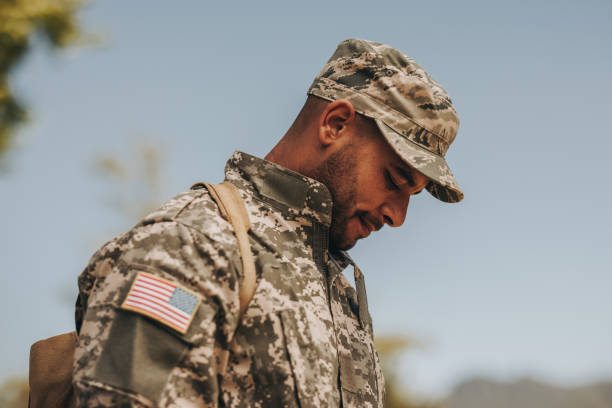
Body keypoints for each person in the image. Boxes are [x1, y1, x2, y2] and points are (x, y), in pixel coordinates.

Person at [72, 38, 463, 407]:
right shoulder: (189, 246)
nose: (397, 216)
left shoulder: (334, 289)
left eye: (411, 196)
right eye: (394, 180)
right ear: (335, 124)